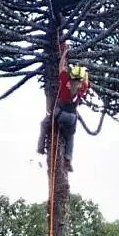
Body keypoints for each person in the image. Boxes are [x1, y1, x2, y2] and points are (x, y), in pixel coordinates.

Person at [36, 42, 90, 172]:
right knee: (70, 137)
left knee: (44, 124)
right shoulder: (82, 87)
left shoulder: (65, 80)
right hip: (71, 117)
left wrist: (65, 53)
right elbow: (87, 82)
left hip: (58, 113)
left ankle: (40, 147)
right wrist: (85, 73)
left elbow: (61, 67)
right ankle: (68, 159)